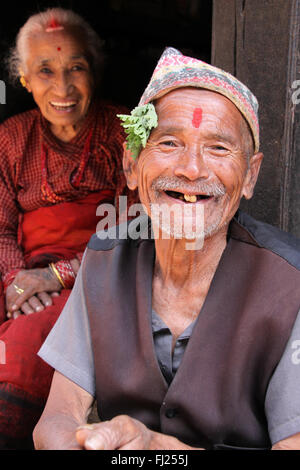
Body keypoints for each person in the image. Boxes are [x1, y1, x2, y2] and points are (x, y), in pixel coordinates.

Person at [33, 47, 300, 450]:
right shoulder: (107, 257)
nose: (191, 169)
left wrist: (156, 450)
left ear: (250, 175)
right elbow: (57, 415)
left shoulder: (290, 285)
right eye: (170, 143)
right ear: (131, 165)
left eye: (219, 148)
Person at [0, 7, 138, 449]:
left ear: (94, 70)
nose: (62, 88)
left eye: (75, 67)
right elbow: (1, 229)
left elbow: (136, 229)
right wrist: (14, 282)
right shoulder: (10, 138)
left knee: (24, 345)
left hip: (97, 276)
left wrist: (55, 277)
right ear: (24, 79)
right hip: (22, 274)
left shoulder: (125, 135)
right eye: (45, 71)